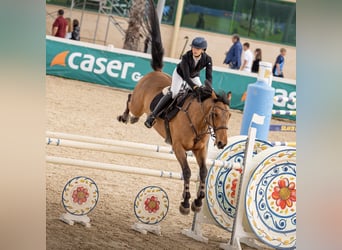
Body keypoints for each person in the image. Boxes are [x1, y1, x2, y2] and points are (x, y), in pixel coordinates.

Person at [144, 37, 213, 128]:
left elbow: (209, 76)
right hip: (180, 74)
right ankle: (153, 116)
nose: (194, 50)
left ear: (203, 50)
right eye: (193, 47)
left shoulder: (208, 59)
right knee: (174, 93)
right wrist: (194, 87)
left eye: (197, 48)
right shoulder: (186, 57)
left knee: (205, 95)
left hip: (194, 76)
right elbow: (186, 76)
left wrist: (208, 87)